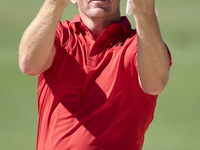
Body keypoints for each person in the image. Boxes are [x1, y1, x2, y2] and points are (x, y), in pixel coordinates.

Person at [19, 0, 172, 149]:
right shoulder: (58, 36)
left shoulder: (140, 45)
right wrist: (54, 3)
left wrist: (145, 14)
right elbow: (28, 65)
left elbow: (154, 84)